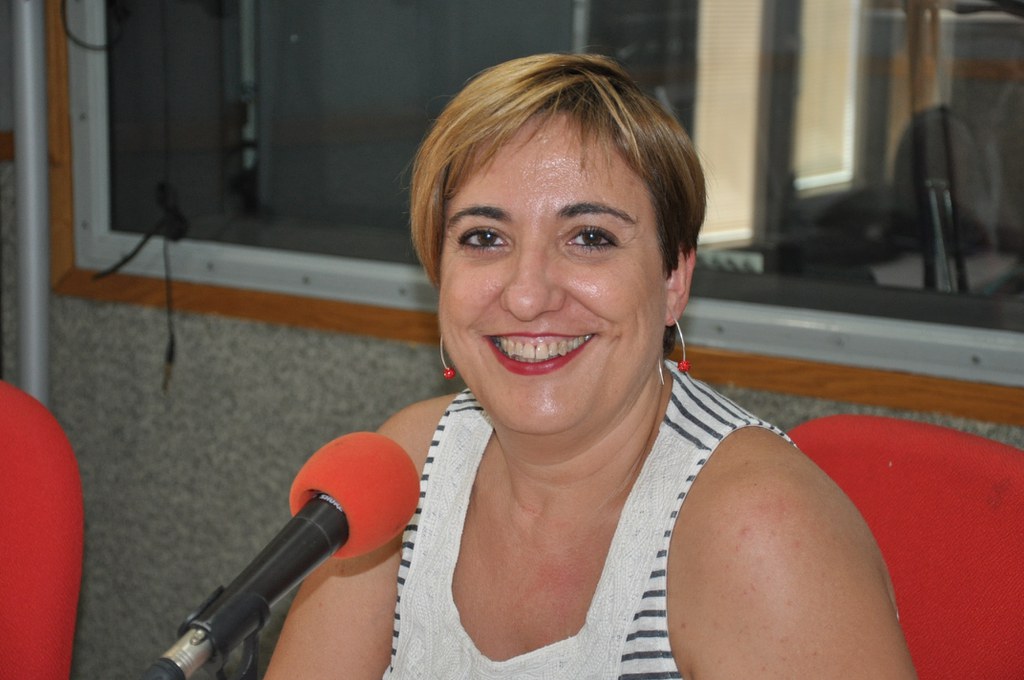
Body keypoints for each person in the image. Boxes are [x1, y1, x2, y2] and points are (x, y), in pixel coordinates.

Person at [266, 53, 917, 679]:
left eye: (590, 238)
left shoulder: (760, 532)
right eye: (484, 237)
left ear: (673, 279)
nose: (527, 295)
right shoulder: (406, 468)